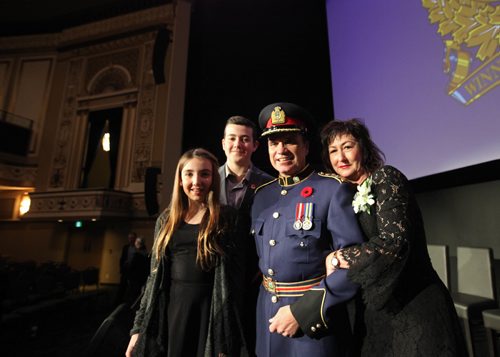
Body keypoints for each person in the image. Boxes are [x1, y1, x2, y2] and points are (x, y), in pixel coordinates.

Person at [320, 118, 467, 356]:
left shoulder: (386, 178)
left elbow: (393, 243)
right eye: (333, 151)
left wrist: (337, 258)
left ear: (364, 148)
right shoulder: (347, 194)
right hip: (378, 313)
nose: (340, 158)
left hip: (415, 306)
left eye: (347, 147)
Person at [250, 102, 365, 357]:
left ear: (305, 146)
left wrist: (301, 312)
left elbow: (355, 263)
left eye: (289, 141)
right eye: (273, 143)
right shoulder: (261, 197)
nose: (280, 150)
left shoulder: (332, 190)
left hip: (314, 324)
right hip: (267, 320)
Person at [125, 148, 248, 357]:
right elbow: (153, 280)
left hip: (211, 312)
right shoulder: (165, 220)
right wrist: (138, 329)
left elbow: (236, 282)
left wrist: (226, 337)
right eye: (189, 174)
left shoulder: (227, 218)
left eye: (204, 174)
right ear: (180, 180)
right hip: (173, 312)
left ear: (213, 179)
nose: (196, 181)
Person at [219, 115, 273, 355]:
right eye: (232, 138)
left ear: (254, 145)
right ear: (223, 143)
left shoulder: (270, 185)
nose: (237, 144)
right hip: (212, 283)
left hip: (253, 285)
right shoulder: (205, 181)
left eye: (244, 139)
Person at [124, 237, 150, 306]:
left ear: (138, 243)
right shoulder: (146, 254)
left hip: (135, 279)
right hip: (142, 279)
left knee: (132, 297)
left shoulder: (137, 254)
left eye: (136, 242)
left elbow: (132, 267)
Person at [115, 232, 138, 305]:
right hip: (125, 270)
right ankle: (118, 301)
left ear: (135, 239)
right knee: (122, 286)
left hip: (133, 271)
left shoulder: (137, 248)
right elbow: (122, 258)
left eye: (132, 238)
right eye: (129, 238)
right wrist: (122, 267)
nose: (130, 240)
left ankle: (131, 301)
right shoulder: (126, 247)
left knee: (132, 287)